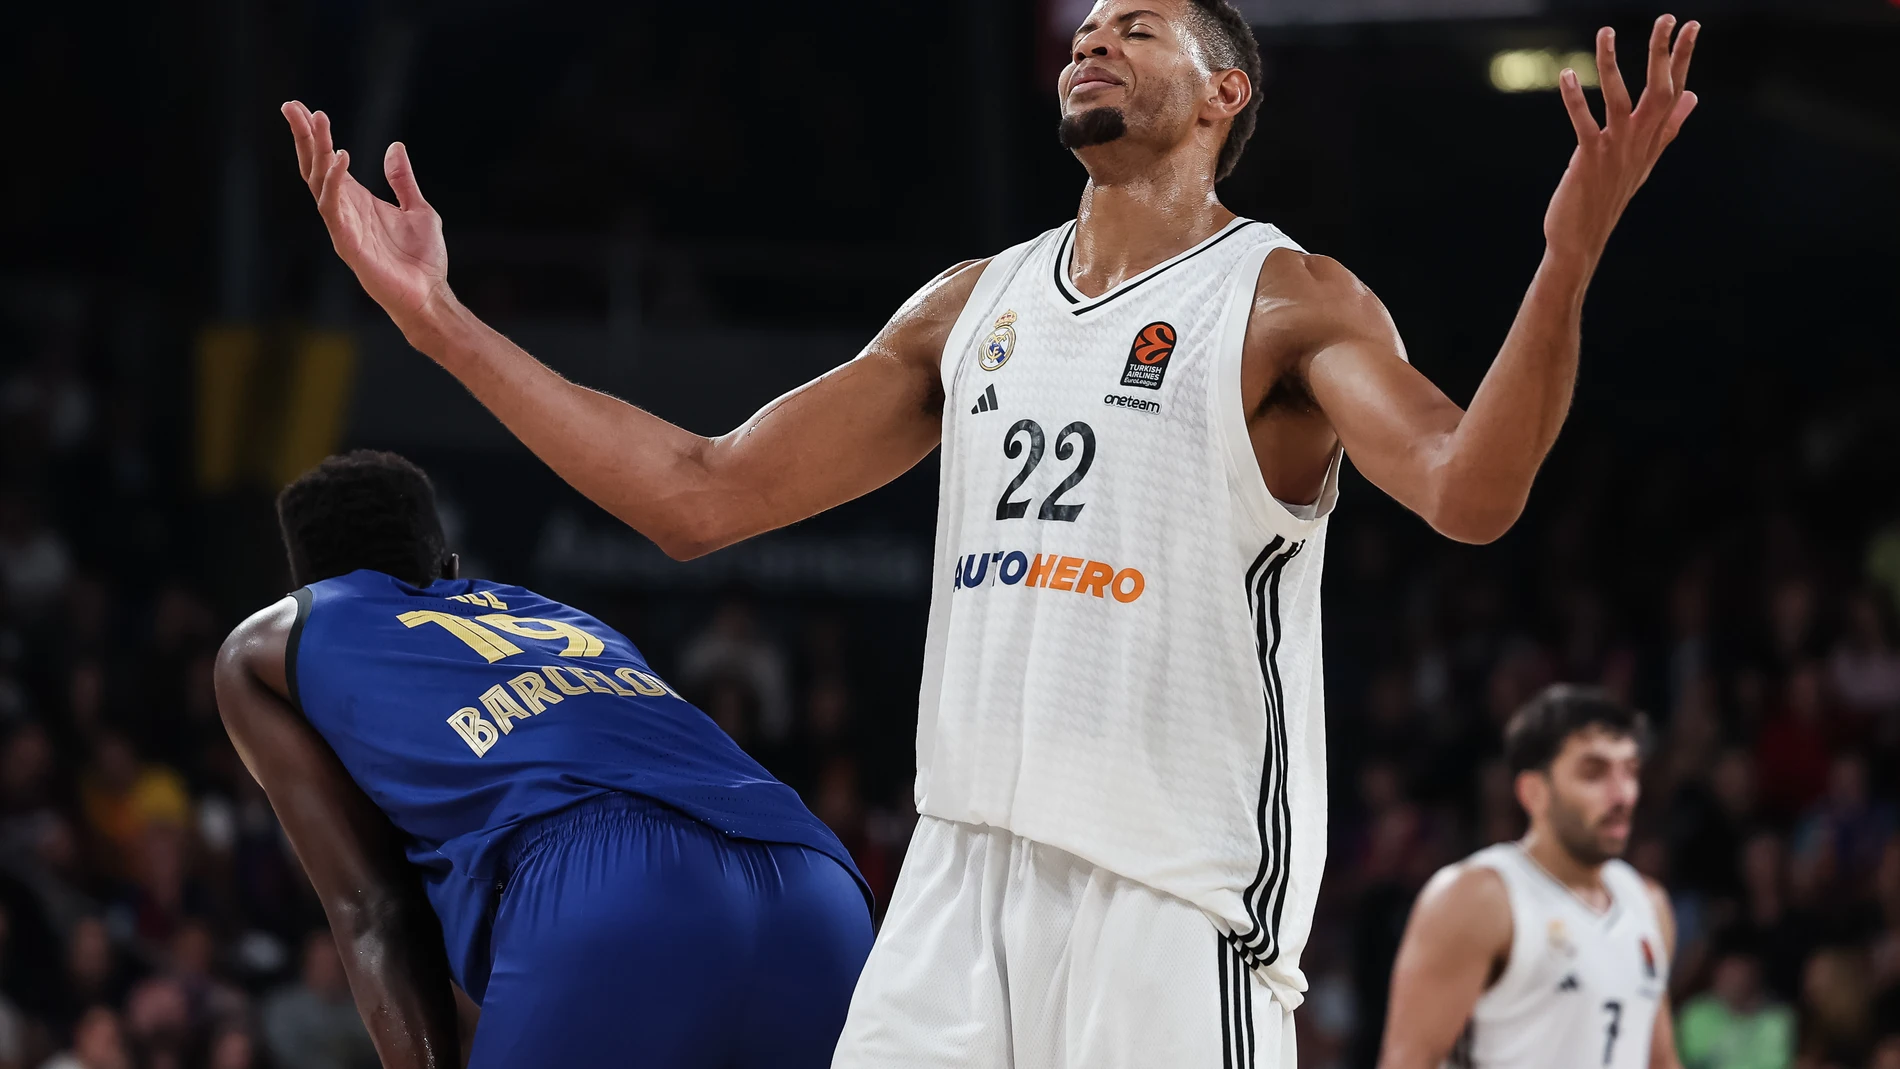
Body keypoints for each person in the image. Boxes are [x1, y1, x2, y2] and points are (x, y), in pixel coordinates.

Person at [278, 0, 1700, 1062]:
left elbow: (1470, 489)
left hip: (1166, 898)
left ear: (1223, 91)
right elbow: (697, 492)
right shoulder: (975, 303)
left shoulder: (1286, 299)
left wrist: (1568, 260)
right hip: (958, 884)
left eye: (1136, 26)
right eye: (1086, 25)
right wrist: (441, 325)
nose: (1092, 36)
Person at [212, 451, 873, 1068]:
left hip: (614, 882)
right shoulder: (563, 616)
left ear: (300, 587)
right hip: (819, 884)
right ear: (449, 568)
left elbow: (373, 907)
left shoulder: (275, 638)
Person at [1375, 686, 1679, 1069]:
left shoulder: (1648, 904)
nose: (1622, 795)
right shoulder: (1478, 897)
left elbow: (1662, 1060)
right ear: (1534, 792)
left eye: (1630, 772)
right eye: (1594, 773)